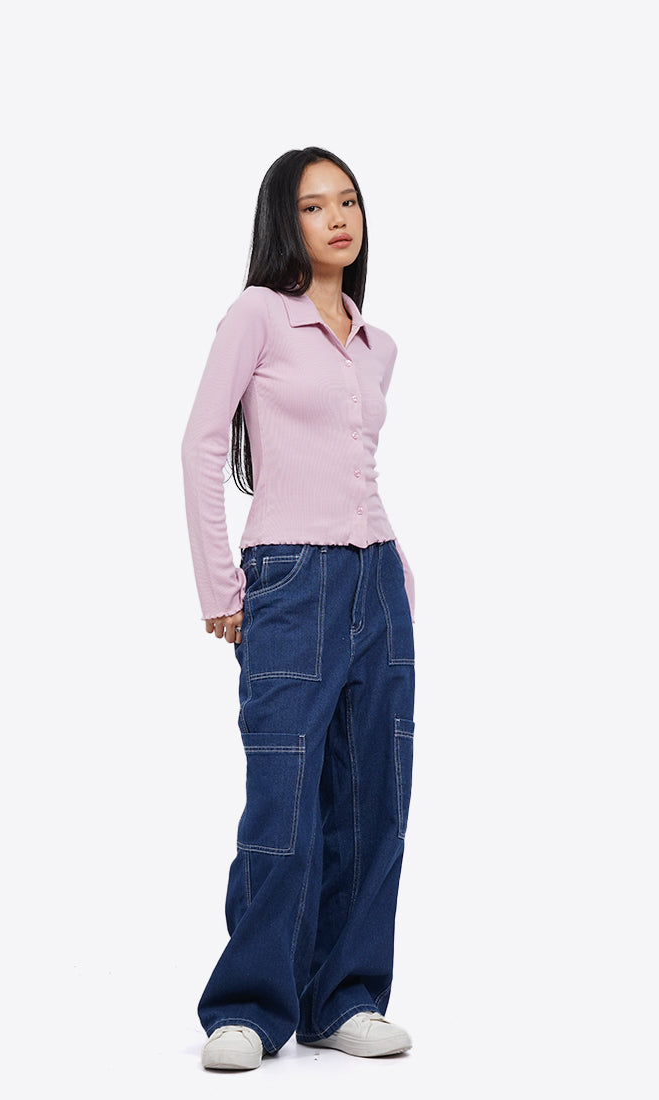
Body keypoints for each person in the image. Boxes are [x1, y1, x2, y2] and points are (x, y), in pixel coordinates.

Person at [180, 147, 416, 1071]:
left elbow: (360, 471)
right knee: (282, 804)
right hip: (289, 578)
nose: (338, 218)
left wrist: (401, 587)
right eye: (315, 206)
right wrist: (219, 587)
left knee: (372, 804)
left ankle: (344, 997)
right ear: (287, 220)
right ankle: (248, 1006)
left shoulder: (375, 343)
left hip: (377, 581)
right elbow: (202, 443)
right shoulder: (257, 315)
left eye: (347, 201)